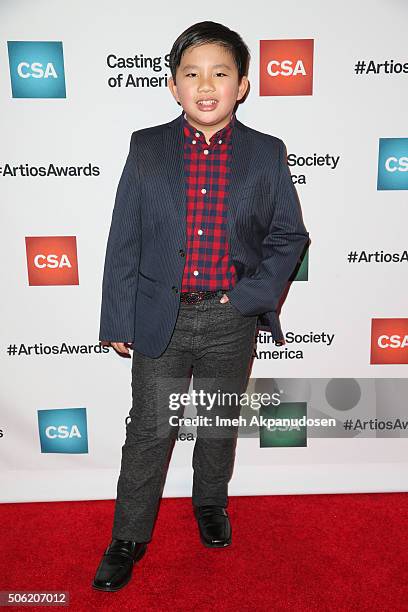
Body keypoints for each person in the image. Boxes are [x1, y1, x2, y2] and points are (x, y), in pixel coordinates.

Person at [92, 20, 309, 592]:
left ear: (242, 85)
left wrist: (250, 299)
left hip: (229, 318)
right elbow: (125, 238)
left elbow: (289, 237)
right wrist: (117, 318)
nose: (205, 85)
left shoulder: (265, 154)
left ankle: (210, 504)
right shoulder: (146, 147)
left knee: (217, 423)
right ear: (173, 85)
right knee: (150, 428)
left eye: (220, 72)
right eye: (191, 73)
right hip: (160, 316)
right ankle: (127, 536)